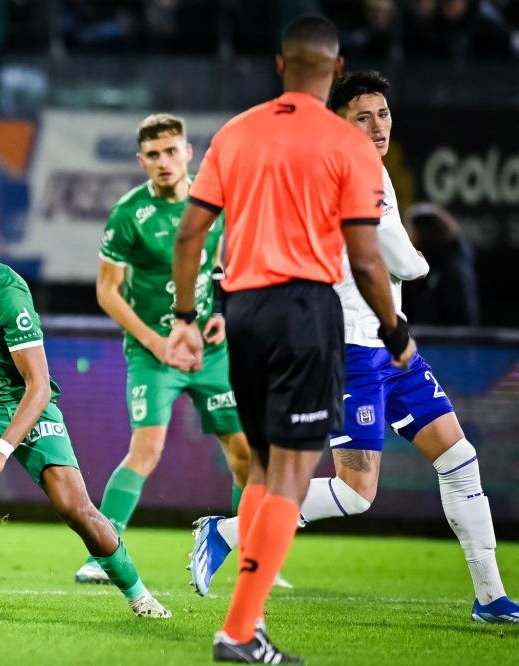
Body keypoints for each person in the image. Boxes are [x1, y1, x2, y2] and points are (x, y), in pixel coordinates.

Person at [189, 71, 519, 625]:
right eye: (362, 116)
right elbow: (402, 259)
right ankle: (225, 532)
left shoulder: (365, 168)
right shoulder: (351, 169)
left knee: (459, 458)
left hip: (389, 343)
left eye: (383, 114)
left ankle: (490, 597)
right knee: (357, 491)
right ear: (339, 121)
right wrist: (420, 263)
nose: (377, 125)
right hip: (351, 350)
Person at [166, 16, 415, 663]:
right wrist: (395, 332)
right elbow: (365, 258)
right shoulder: (349, 146)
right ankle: (240, 631)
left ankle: (248, 621)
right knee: (292, 477)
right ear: (334, 73)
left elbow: (190, 234)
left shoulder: (235, 133)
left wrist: (187, 318)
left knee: (264, 467)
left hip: (241, 312)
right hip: (306, 311)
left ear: (280, 66)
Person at [0, 186, 170, 618]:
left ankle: (138, 594)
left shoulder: (8, 293)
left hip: (21, 403)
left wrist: (1, 450)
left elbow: (38, 386)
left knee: (75, 508)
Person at [73, 114, 254, 585]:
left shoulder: (214, 202)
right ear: (141, 161)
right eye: (153, 155)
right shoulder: (129, 214)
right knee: (145, 450)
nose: (163, 161)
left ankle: (250, 553)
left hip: (209, 353)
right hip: (153, 354)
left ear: (188, 153)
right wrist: (154, 341)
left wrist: (221, 316)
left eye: (171, 151)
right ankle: (102, 554)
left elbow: (222, 267)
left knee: (244, 454)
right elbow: (107, 291)